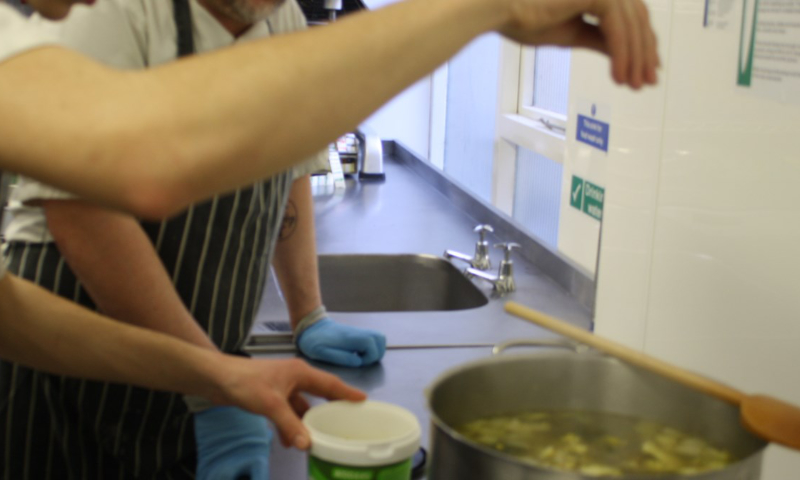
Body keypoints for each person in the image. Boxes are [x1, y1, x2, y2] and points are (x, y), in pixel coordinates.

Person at [0, 0, 660, 477]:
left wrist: (277, 335)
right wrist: (485, 9)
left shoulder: (278, 19)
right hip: (70, 395)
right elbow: (134, 172)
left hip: (181, 363)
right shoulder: (100, 15)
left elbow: (14, 317)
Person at [2, 0, 387, 477]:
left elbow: (290, 169)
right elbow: (85, 217)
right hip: (73, 372)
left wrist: (307, 315)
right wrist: (215, 385)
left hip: (207, 372)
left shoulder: (279, 17)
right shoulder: (108, 11)